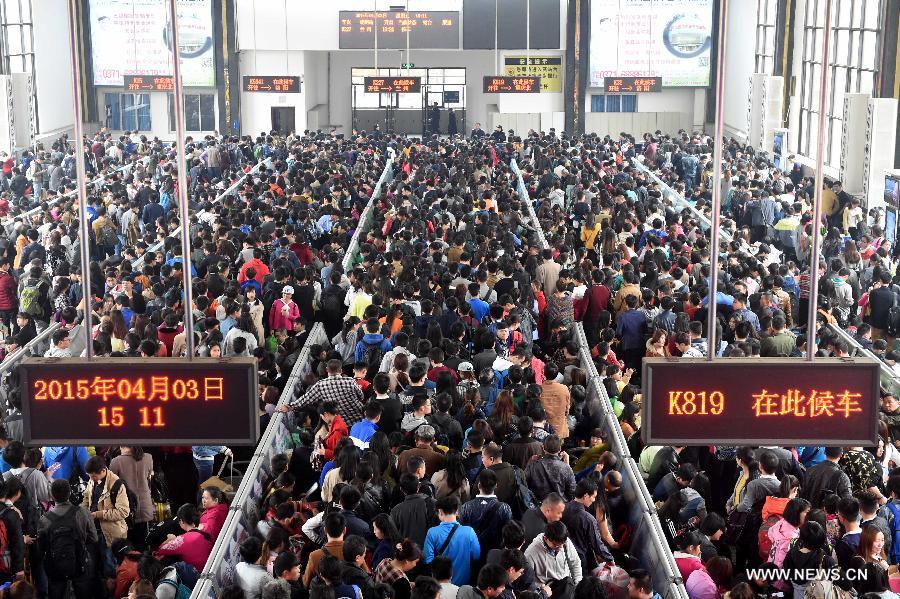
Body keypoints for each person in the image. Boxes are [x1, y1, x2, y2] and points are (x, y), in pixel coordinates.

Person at [39, 478, 97, 599]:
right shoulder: (82, 512)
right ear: (70, 493)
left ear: (52, 496)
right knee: (83, 593)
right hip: (79, 562)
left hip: (55, 565)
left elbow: (42, 546)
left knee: (56, 593)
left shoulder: (44, 519)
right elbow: (93, 538)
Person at [424, 495, 480, 587]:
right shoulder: (469, 531)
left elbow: (428, 560)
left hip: (440, 585)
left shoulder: (432, 532)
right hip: (463, 585)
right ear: (457, 511)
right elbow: (476, 555)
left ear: (440, 512)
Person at [108, 446, 153, 550]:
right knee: (143, 547)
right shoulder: (148, 458)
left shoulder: (116, 461)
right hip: (145, 508)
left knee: (127, 548)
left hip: (126, 509)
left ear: (122, 446)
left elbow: (111, 486)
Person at [523, 521, 582, 598]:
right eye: (556, 545)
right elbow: (527, 581)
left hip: (567, 585)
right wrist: (541, 590)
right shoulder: (531, 552)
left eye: (562, 544)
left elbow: (575, 563)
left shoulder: (565, 542)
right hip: (548, 591)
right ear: (546, 538)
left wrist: (578, 585)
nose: (560, 548)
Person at [152, 503, 214, 571]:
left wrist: (170, 539)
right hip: (211, 565)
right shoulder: (207, 526)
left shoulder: (182, 540)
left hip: (198, 574)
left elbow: (160, 550)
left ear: (181, 521)